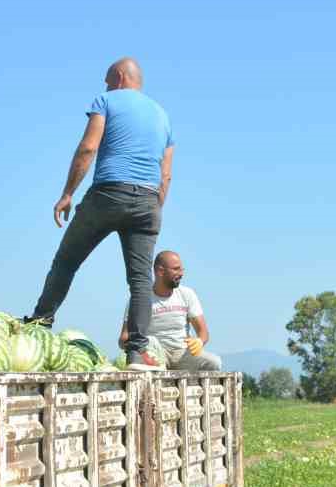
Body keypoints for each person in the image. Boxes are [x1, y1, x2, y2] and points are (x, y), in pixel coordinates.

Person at [27, 57, 174, 369]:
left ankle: (39, 326)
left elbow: (88, 147)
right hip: (148, 200)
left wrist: (68, 193)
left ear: (119, 77)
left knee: (66, 261)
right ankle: (137, 353)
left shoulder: (106, 100)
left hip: (108, 193)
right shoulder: (163, 116)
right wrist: (152, 208)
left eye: (107, 81)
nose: (105, 87)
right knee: (139, 281)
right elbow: (166, 174)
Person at [117, 250, 221, 370]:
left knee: (214, 362)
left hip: (182, 353)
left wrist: (200, 341)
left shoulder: (187, 294)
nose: (181, 273)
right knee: (150, 341)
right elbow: (123, 338)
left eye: (182, 269)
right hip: (156, 353)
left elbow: (203, 332)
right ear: (160, 271)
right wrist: (135, 346)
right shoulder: (140, 299)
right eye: (176, 269)